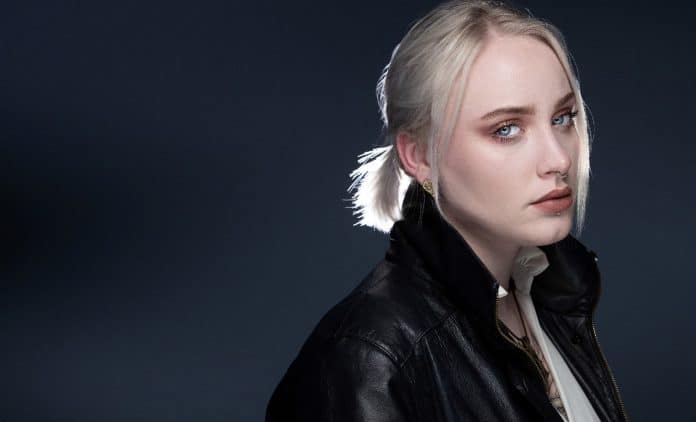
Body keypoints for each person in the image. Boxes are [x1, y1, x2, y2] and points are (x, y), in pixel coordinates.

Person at [266, 1, 629, 421]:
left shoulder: (549, 296)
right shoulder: (368, 363)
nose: (558, 159)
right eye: (506, 129)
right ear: (419, 155)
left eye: (562, 118)